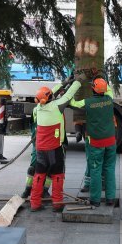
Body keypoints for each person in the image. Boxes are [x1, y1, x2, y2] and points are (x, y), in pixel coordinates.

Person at [30, 78, 81, 212]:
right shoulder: (57, 106)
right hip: (54, 149)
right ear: (49, 98)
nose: (53, 95)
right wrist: (78, 81)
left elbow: (48, 94)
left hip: (40, 149)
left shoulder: (38, 108)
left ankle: (34, 203)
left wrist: (64, 82)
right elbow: (69, 95)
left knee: (39, 175)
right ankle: (57, 203)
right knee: (57, 176)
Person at [70, 77, 117, 207]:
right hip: (111, 142)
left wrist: (69, 91)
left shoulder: (88, 102)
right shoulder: (109, 99)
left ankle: (95, 200)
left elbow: (73, 103)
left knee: (96, 170)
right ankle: (110, 199)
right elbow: (109, 89)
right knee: (109, 169)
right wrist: (102, 77)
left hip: (96, 143)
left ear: (93, 89)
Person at [20, 103, 51, 199]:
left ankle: (44, 190)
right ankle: (28, 189)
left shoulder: (40, 109)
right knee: (33, 167)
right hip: (39, 142)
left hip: (48, 143)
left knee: (50, 168)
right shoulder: (37, 109)